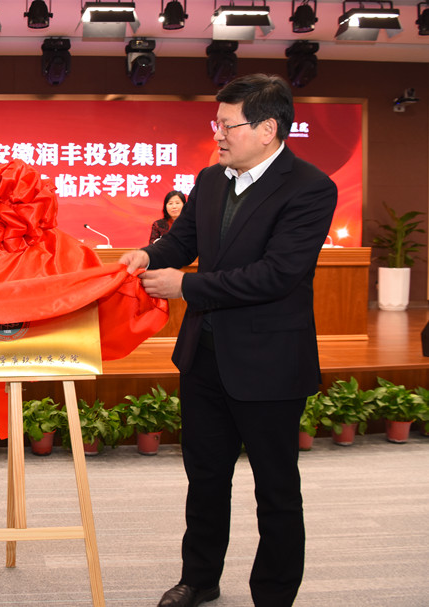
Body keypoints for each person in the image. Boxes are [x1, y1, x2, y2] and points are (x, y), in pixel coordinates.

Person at [120, 74, 337, 607]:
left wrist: (187, 287)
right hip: (205, 358)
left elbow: (276, 275)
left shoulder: (310, 188)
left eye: (226, 124)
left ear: (267, 129)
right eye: (215, 123)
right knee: (205, 479)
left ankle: (273, 595)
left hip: (269, 364)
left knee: (275, 489)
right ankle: (199, 578)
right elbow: (182, 242)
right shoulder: (211, 179)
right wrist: (149, 254)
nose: (217, 134)